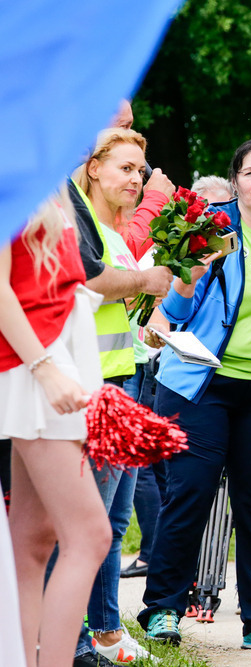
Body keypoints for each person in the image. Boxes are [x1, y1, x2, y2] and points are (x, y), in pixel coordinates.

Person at [138, 139, 251, 650]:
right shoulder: (212, 230)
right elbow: (177, 307)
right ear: (235, 181)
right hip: (200, 385)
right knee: (190, 495)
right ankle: (162, 609)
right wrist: (184, 286)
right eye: (249, 173)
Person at [69, 127, 174, 666]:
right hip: (96, 386)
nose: (136, 179)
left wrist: (149, 328)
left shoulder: (109, 229)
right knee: (88, 522)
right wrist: (145, 281)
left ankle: (105, 630)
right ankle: (75, 639)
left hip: (122, 379)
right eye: (124, 168)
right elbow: (89, 283)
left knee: (112, 522)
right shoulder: (82, 224)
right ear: (93, 168)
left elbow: (117, 310)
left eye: (140, 170)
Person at [2, 195, 110, 667]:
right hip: (38, 366)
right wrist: (45, 369)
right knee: (89, 536)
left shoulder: (52, 184)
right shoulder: (16, 178)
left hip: (54, 362)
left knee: (33, 539)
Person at [123, 174, 235, 581]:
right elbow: (156, 306)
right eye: (205, 211)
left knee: (167, 472)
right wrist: (159, 327)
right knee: (154, 469)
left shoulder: (236, 255)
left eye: (220, 212)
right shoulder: (172, 246)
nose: (213, 221)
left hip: (210, 376)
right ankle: (160, 559)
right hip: (159, 368)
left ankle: (172, 560)